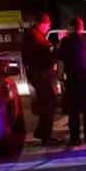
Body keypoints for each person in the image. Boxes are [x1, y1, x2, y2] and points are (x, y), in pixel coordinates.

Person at [56, 17, 86, 146]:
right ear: (81, 28)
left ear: (71, 27)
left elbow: (61, 62)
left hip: (73, 80)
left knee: (73, 111)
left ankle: (75, 138)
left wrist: (60, 78)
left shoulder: (65, 42)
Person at [21, 12, 62, 145]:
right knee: (48, 102)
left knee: (48, 102)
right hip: (40, 74)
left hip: (40, 74)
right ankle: (44, 134)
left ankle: (43, 132)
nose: (48, 27)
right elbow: (45, 50)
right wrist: (54, 48)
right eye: (48, 24)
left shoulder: (35, 35)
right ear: (41, 23)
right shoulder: (34, 35)